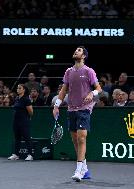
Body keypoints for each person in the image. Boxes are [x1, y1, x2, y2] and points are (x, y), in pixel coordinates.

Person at [52, 46, 102, 182]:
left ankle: (78, 169)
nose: (76, 51)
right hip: (71, 109)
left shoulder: (89, 71)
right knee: (75, 139)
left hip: (85, 108)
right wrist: (56, 106)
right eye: (75, 50)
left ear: (84, 56)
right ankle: (84, 168)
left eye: (79, 51)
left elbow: (98, 88)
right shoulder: (68, 72)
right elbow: (63, 91)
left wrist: (92, 93)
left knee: (81, 138)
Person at [8, 84, 34, 161]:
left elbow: (31, 112)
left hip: (24, 121)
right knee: (17, 138)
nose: (18, 89)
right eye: (17, 88)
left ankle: (30, 155)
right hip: (16, 122)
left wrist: (25, 118)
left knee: (27, 138)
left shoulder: (26, 99)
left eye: (20, 88)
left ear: (24, 90)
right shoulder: (17, 98)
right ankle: (16, 154)